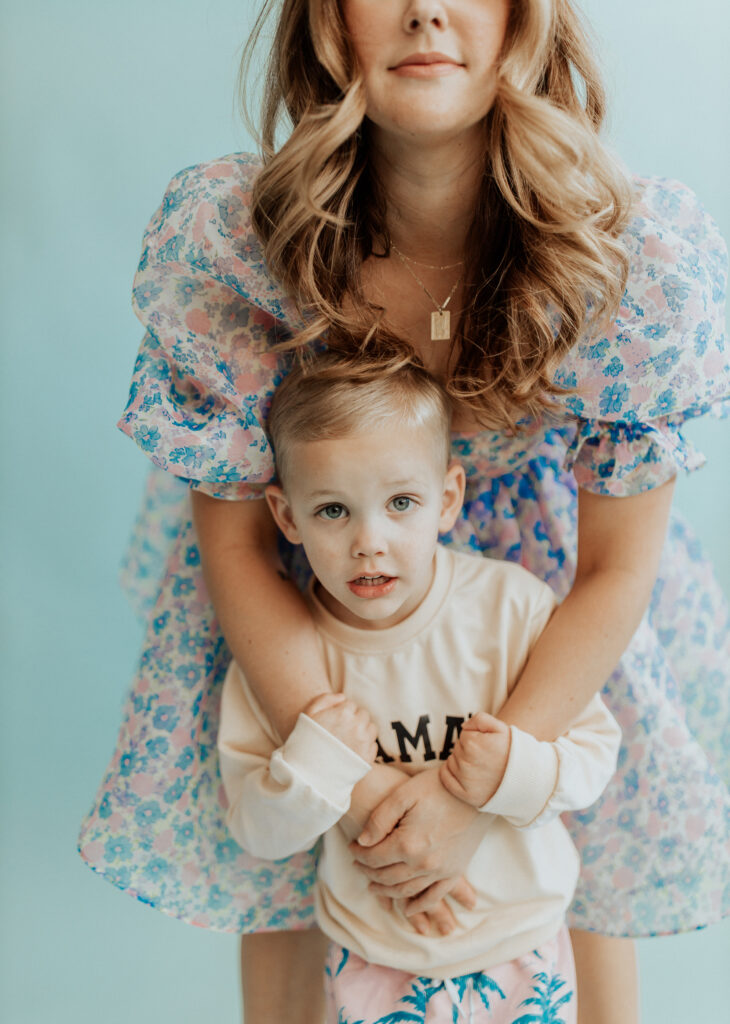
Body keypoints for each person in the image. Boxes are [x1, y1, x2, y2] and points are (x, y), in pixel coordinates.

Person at [77, 1, 730, 1022]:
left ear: (520, 20)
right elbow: (241, 546)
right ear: (330, 23)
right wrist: (366, 788)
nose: (426, 9)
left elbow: (613, 574)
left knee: (576, 856)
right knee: (296, 884)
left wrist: (475, 786)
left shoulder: (622, 254)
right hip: (314, 586)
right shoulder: (241, 241)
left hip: (548, 593)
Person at [217, 353, 622, 1023]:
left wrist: (512, 772)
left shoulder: (510, 610)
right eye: (332, 511)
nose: (369, 542)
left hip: (522, 949)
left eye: (400, 503)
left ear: (448, 498)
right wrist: (321, 761)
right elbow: (259, 834)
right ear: (286, 518)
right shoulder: (286, 660)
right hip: (374, 959)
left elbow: (594, 754)